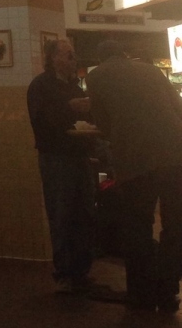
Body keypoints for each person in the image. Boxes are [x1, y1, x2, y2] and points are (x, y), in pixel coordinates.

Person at [87, 40, 182, 312]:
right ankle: (167, 291)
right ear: (125, 54)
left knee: (138, 226)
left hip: (135, 158)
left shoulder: (97, 76)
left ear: (101, 58)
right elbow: (178, 107)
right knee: (175, 225)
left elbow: (103, 122)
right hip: (174, 154)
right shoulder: (150, 70)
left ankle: (142, 296)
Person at [26, 37, 96, 293]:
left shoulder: (75, 87)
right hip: (56, 157)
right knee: (62, 213)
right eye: (68, 55)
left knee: (84, 212)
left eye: (73, 54)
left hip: (79, 155)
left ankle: (81, 269)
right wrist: (70, 108)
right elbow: (42, 120)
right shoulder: (41, 86)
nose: (73, 60)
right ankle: (65, 272)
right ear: (53, 58)